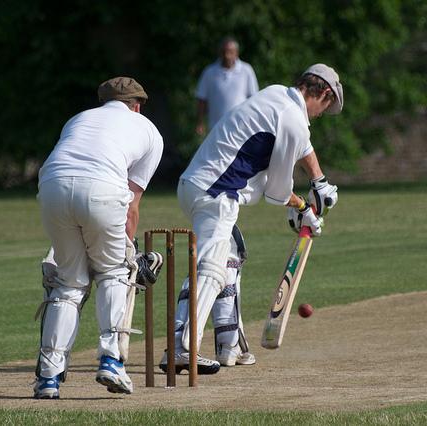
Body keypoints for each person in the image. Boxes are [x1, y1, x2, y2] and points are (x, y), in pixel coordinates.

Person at [160, 64, 343, 375]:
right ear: (323, 92)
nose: (321, 114)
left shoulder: (274, 94)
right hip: (217, 193)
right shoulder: (294, 119)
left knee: (231, 256)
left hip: (196, 186)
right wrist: (303, 208)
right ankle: (180, 346)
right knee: (211, 268)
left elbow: (302, 146)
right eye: (326, 107)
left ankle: (229, 345)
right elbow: (277, 191)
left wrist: (319, 180)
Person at [33, 77, 164, 399]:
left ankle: (48, 379)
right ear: (138, 105)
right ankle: (110, 360)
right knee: (114, 272)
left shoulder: (79, 118)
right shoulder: (147, 129)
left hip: (51, 188)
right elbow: (132, 207)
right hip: (103, 190)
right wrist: (128, 251)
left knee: (69, 284)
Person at [195, 37, 259, 136]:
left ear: (236, 53)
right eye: (224, 52)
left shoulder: (247, 70)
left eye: (230, 52)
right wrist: (200, 122)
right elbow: (202, 99)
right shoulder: (209, 72)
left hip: (241, 128)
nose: (227, 55)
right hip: (216, 128)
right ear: (219, 52)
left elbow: (254, 99)